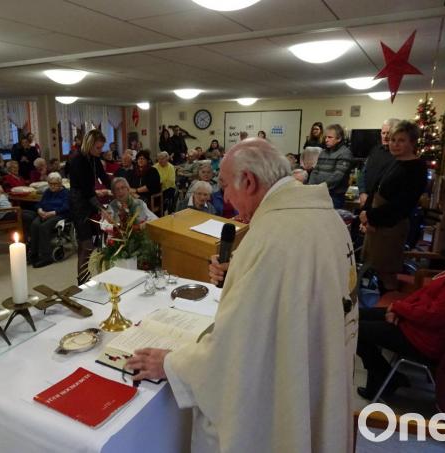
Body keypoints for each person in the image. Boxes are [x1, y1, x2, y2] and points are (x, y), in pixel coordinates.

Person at [126, 138, 358, 453]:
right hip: (320, 369)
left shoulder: (271, 236)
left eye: (225, 186)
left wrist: (172, 364)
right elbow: (295, 290)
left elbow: (233, 348)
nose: (228, 198)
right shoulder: (324, 217)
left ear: (248, 181)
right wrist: (238, 270)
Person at [356, 222, 445, 400]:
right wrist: (399, 309)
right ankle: (383, 376)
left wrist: (399, 308)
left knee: (355, 329)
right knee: (354, 318)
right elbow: (423, 296)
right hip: (415, 325)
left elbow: (434, 315)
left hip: (425, 339)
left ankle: (384, 376)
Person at [359, 121, 428, 291]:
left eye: (401, 140)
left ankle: (388, 306)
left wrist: (371, 217)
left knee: (386, 272)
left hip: (391, 226)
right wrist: (365, 214)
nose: (395, 144)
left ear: (412, 142)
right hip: (378, 222)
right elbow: (376, 189)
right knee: (374, 267)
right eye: (392, 140)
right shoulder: (394, 161)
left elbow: (402, 204)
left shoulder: (417, 168)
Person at [67, 129, 111, 284]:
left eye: (101, 148)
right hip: (79, 203)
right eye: (98, 148)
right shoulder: (78, 160)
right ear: (89, 145)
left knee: (95, 242)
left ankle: (92, 276)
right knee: (85, 244)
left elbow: (104, 178)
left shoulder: (94, 158)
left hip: (88, 200)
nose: (101, 151)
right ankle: (82, 282)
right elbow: (86, 190)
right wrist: (101, 209)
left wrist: (120, 188)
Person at [23, 172, 70, 267]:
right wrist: (40, 210)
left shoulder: (65, 193)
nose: (52, 186)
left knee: (44, 227)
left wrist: (51, 213)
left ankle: (46, 256)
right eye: (50, 184)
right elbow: (40, 203)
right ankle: (34, 253)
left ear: (60, 183)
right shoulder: (47, 192)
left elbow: (66, 207)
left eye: (55, 184)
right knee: (34, 225)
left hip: (59, 214)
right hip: (44, 213)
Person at [307, 124, 353, 209]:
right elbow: (315, 171)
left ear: (339, 139)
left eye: (330, 137)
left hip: (334, 197)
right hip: (317, 193)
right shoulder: (323, 152)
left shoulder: (345, 153)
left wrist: (320, 187)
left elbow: (337, 176)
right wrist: (311, 186)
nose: (326, 140)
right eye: (325, 137)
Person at [358, 118, 399, 207]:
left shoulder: (398, 155)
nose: (385, 136)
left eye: (388, 133)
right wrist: (362, 193)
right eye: (383, 133)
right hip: (367, 199)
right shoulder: (375, 150)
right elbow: (363, 173)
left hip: (386, 205)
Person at [0, 168, 32, 242]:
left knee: (32, 213)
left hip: (8, 211)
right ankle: (25, 241)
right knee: (27, 217)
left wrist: (3, 194)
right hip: (0, 215)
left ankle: (27, 239)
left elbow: (4, 199)